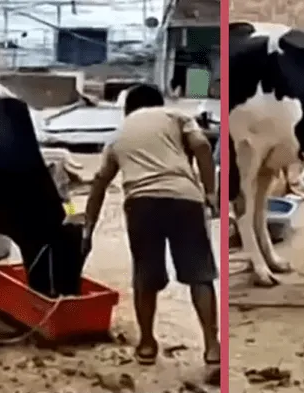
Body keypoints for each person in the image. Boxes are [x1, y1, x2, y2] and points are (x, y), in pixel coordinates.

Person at [82, 83, 220, 366]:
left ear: (128, 110)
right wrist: (210, 192)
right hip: (185, 200)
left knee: (145, 275)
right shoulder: (177, 116)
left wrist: (89, 228)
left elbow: (99, 182)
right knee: (199, 275)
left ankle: (146, 343)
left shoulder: (119, 135)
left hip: (142, 204)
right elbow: (203, 145)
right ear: (160, 102)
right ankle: (211, 346)